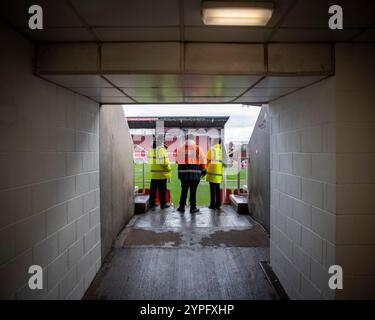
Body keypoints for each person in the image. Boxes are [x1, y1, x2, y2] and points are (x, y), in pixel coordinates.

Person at [176, 135, 206, 214]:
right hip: (195, 174)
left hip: (183, 175)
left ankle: (181, 207)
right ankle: (193, 208)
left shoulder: (181, 148)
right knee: (193, 192)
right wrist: (203, 170)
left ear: (186, 139)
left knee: (184, 191)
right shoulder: (197, 148)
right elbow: (203, 160)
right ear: (194, 140)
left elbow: (177, 161)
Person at [148, 136, 172, 210]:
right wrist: (168, 168)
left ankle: (152, 204)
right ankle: (163, 204)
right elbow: (164, 162)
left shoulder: (152, 149)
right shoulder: (161, 149)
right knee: (162, 190)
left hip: (154, 173)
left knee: (153, 190)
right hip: (161, 174)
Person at [206, 137, 223, 210]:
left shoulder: (212, 149)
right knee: (217, 188)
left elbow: (207, 159)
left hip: (212, 172)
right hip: (218, 172)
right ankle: (218, 204)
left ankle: (212, 204)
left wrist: (206, 167)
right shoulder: (221, 150)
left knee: (212, 189)